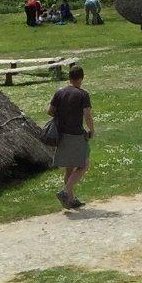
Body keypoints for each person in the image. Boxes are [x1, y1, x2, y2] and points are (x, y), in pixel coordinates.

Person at [47, 65, 94, 210]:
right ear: (81, 78)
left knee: (69, 168)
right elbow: (87, 115)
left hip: (62, 134)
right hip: (76, 135)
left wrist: (63, 118)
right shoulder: (82, 94)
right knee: (84, 164)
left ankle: (71, 200)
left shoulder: (60, 92)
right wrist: (91, 130)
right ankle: (65, 191)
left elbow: (50, 111)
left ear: (69, 77)